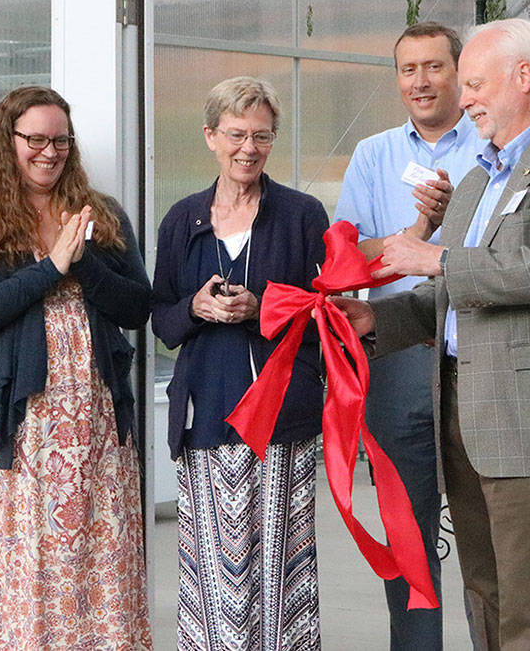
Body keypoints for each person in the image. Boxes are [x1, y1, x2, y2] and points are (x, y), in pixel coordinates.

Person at [335, 18, 530, 651]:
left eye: (473, 84)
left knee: (529, 602)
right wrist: (377, 320)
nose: (463, 100)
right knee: (485, 591)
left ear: (525, 78)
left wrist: (432, 258)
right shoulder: (478, 180)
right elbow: (450, 296)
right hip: (463, 408)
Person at [0, 86, 152, 649]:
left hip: (94, 432)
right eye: (35, 139)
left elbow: (138, 307)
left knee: (93, 566)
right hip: (11, 432)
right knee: (17, 566)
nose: (49, 152)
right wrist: (50, 268)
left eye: (60, 140)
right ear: (6, 141)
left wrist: (82, 266)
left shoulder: (99, 216)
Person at [153, 76, 329, 650]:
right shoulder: (182, 219)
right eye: (235, 135)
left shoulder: (303, 215)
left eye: (261, 136)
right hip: (206, 412)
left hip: (282, 415)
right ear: (211, 136)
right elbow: (161, 320)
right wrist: (195, 306)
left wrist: (262, 308)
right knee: (213, 575)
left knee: (284, 569)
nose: (248, 148)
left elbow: (325, 316)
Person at [333, 21, 481, 650]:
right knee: (408, 529)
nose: (420, 81)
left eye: (434, 67)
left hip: (476, 355)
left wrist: (429, 246)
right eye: (407, 69)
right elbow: (347, 250)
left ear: (459, 71)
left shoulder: (490, 142)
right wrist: (413, 241)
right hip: (396, 355)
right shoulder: (374, 154)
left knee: (486, 529)